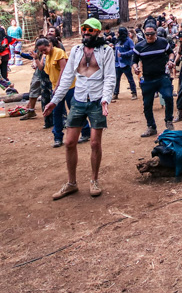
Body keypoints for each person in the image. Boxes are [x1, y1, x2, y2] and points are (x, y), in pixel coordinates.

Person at [43, 19, 116, 199]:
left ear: (98, 32)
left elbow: (110, 78)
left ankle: (94, 180)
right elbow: (67, 77)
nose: (85, 33)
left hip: (97, 101)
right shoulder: (76, 50)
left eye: (90, 30)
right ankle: (71, 183)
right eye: (83, 29)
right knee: (69, 143)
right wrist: (55, 100)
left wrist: (106, 99)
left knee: (94, 143)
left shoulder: (106, 51)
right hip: (78, 99)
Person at [37, 37, 90, 148]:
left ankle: (86, 132)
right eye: (41, 51)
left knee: (75, 110)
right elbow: (44, 70)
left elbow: (64, 69)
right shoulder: (46, 56)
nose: (43, 52)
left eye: (44, 49)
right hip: (55, 88)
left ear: (49, 45)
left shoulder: (59, 52)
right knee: (56, 112)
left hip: (69, 87)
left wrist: (58, 85)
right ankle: (57, 138)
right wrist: (36, 59)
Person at [133, 21, 176, 138]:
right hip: (147, 79)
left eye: (151, 34)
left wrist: (170, 61)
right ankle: (151, 127)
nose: (149, 36)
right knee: (147, 104)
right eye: (147, 34)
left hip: (162, 76)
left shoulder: (163, 42)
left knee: (168, 96)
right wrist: (135, 67)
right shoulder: (139, 46)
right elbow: (134, 61)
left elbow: (171, 53)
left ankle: (169, 121)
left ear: (156, 33)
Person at [113, 27, 138, 100]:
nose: (117, 34)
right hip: (117, 64)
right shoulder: (117, 41)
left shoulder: (129, 41)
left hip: (125, 63)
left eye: (119, 32)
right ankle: (115, 93)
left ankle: (134, 93)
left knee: (130, 79)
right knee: (117, 80)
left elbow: (133, 50)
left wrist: (123, 54)